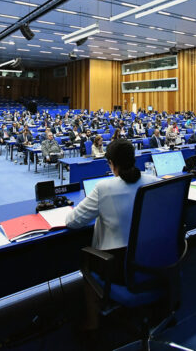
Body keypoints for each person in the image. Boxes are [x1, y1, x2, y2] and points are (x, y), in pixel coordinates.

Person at [65, 139, 159, 330]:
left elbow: (72, 222)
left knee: (87, 263)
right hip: (154, 258)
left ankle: (92, 326)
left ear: (111, 164)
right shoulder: (153, 181)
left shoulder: (103, 188)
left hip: (118, 266)